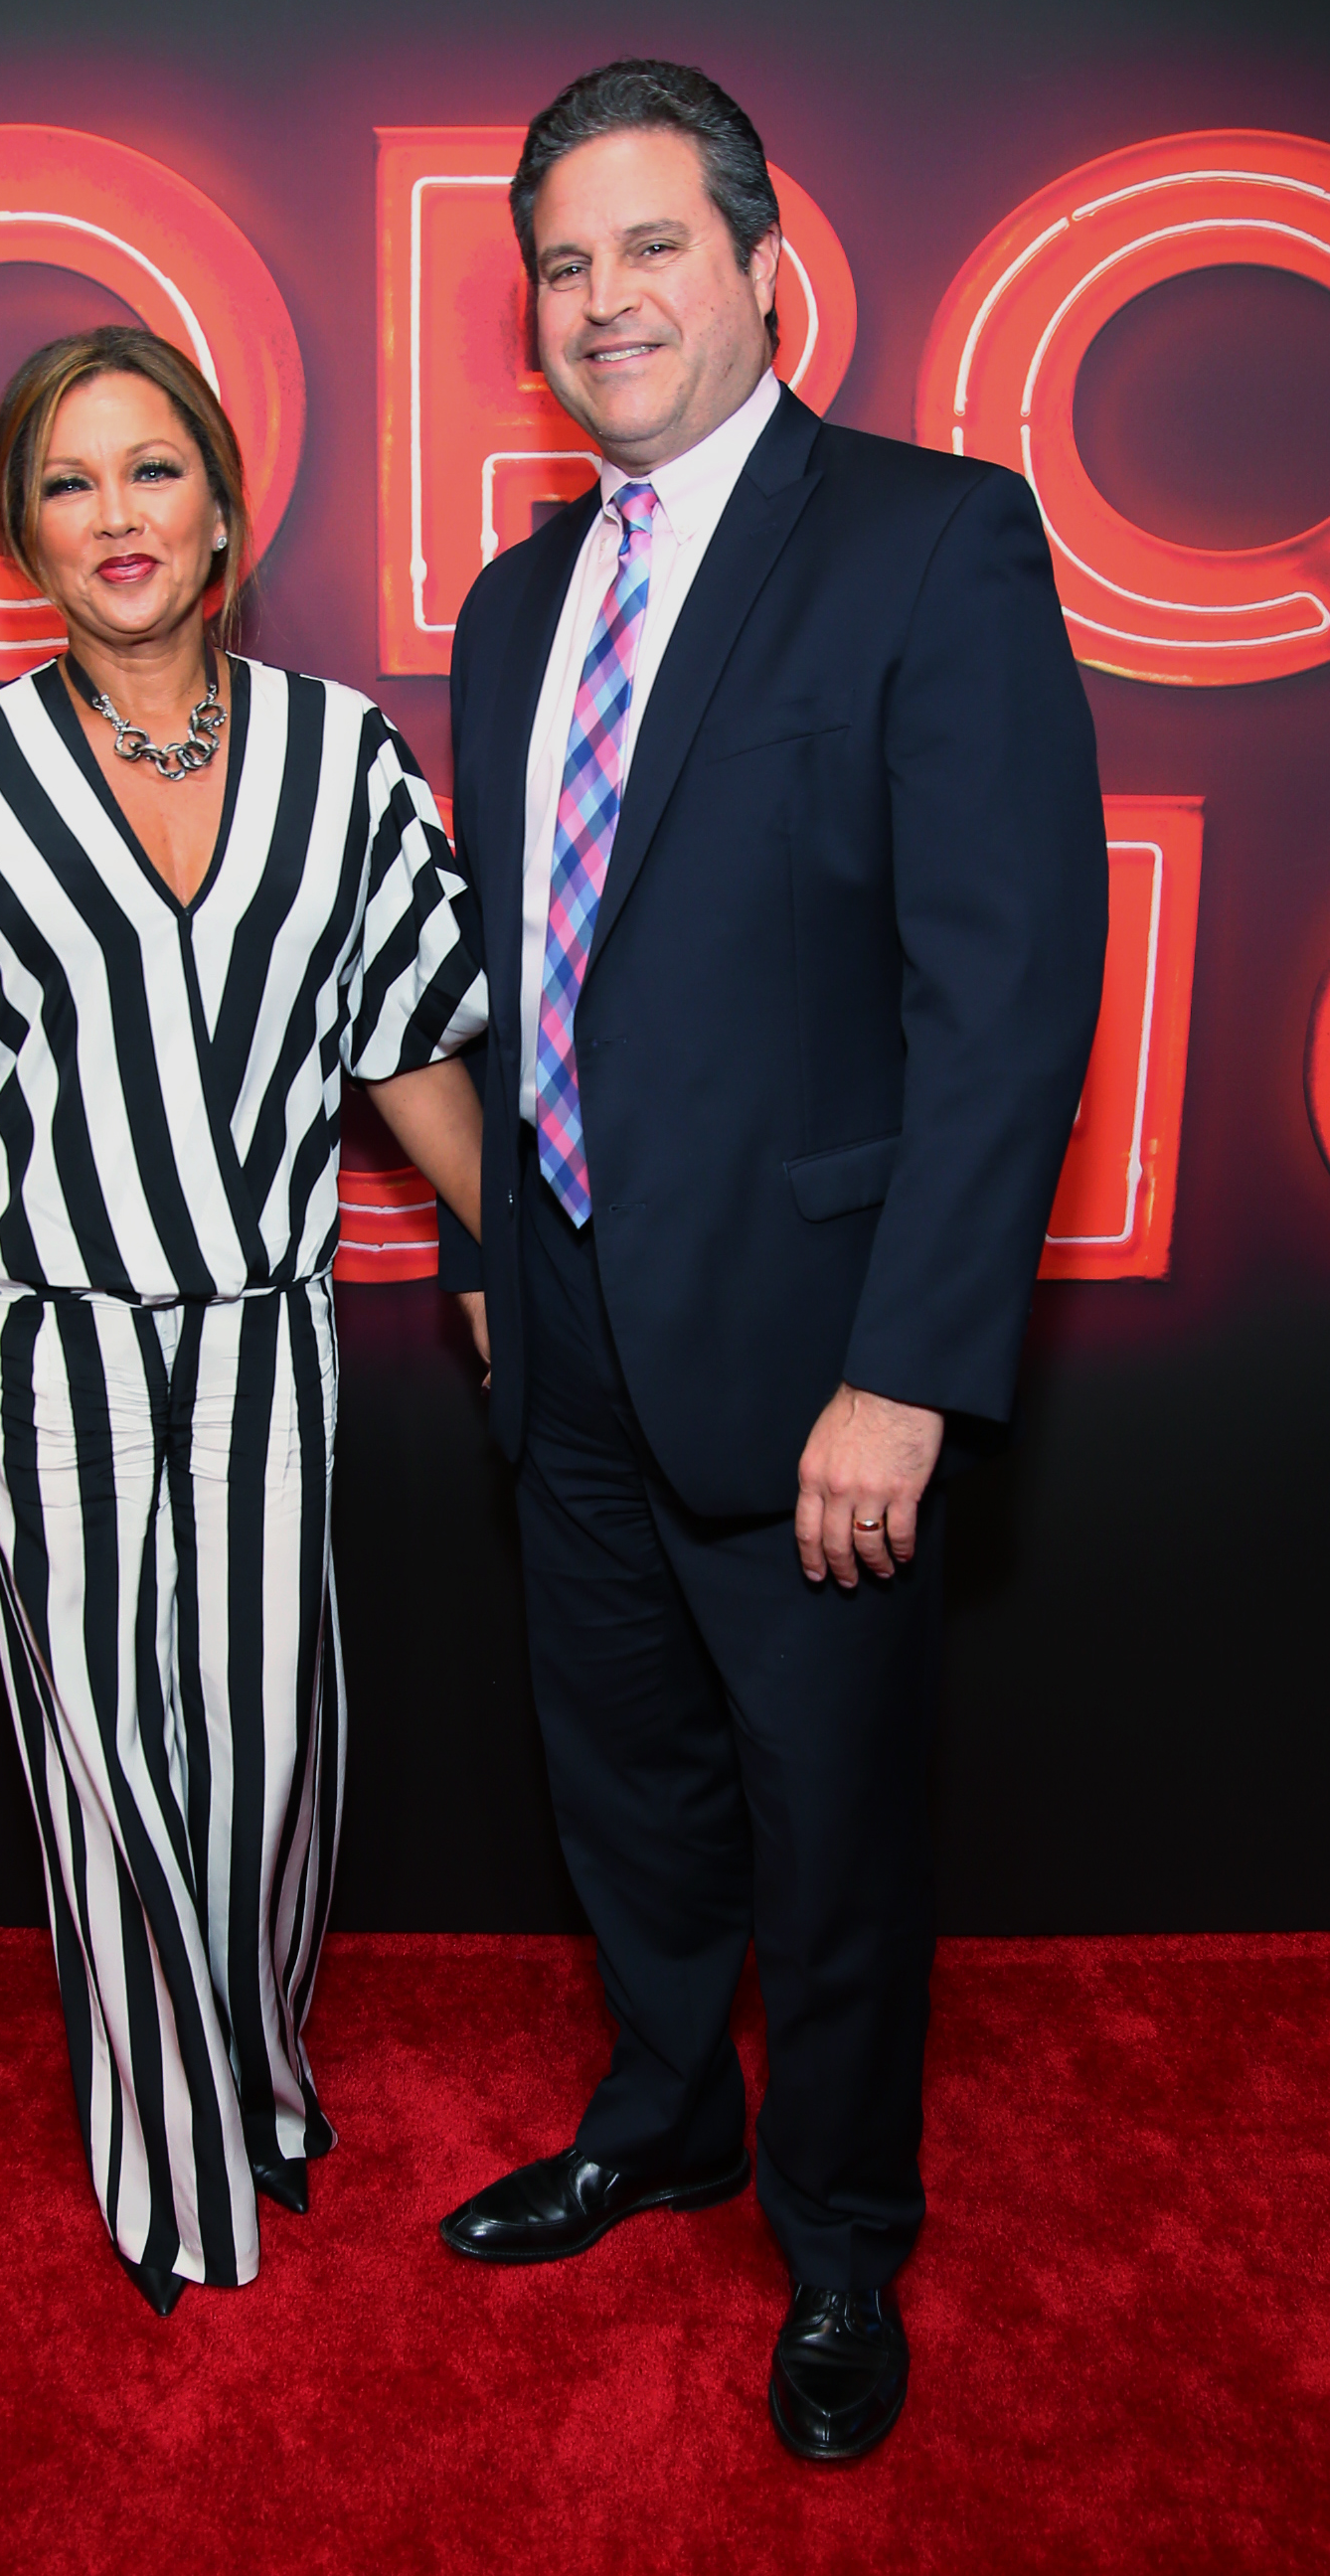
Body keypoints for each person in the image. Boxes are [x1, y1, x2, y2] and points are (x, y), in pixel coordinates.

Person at [434, 61, 1107, 2460]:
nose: (603, 301)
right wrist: (507, 1251)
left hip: (822, 1352)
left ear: (757, 266)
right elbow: (539, 977)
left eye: (647, 248)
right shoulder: (518, 608)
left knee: (832, 1831)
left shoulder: (934, 541)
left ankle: (840, 2242)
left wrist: (912, 1367)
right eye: (563, 265)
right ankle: (667, 2113)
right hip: (577, 1328)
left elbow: (1008, 992)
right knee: (623, 1777)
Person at [0, 325, 485, 2312]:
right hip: (43, 1351)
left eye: (151, 471)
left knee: (280, 1759)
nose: (118, 515)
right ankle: (166, 2163)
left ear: (222, 506)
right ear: (22, 535)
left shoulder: (344, 757)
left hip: (262, 1341)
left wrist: (553, 1260)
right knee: (105, 1767)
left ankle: (260, 2078)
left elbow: (405, 1060)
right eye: (69, 481)